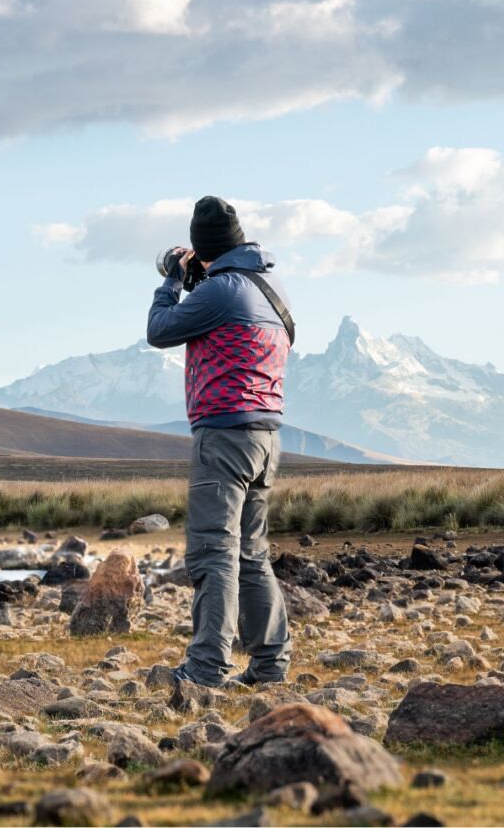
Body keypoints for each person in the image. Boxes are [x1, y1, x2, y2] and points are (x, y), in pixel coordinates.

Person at [146, 195, 292, 687]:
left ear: (201, 248)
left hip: (224, 434)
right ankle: (270, 664)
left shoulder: (223, 289)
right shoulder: (266, 287)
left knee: (213, 552)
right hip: (266, 435)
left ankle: (207, 667)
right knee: (251, 552)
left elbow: (160, 330)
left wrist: (171, 281)